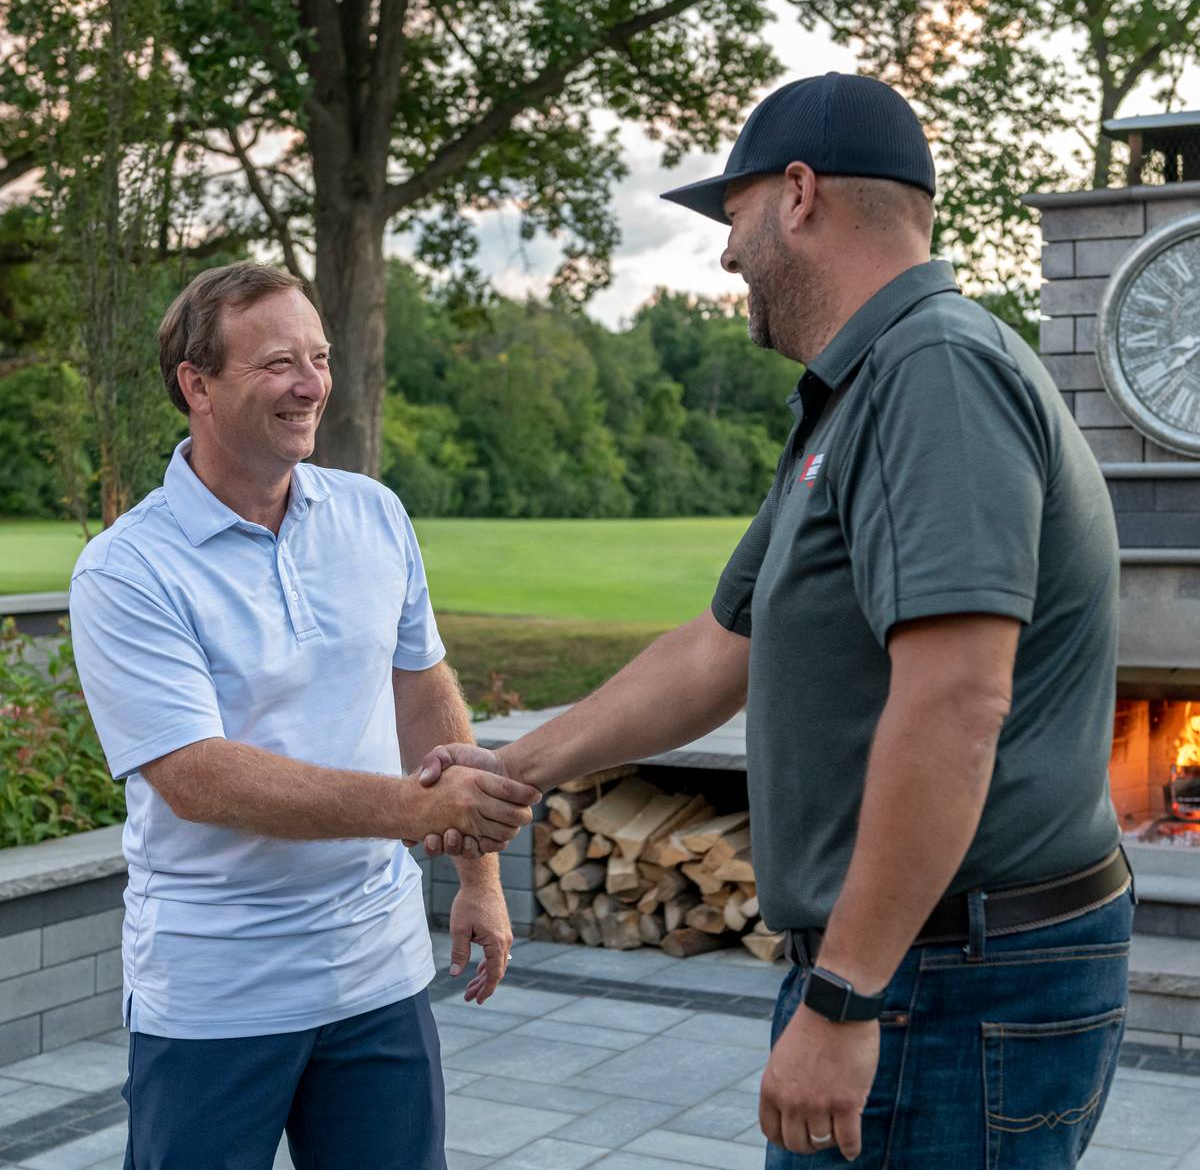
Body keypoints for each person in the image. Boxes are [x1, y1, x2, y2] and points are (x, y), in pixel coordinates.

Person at [415, 73, 1133, 1169]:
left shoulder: (933, 373)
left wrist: (846, 997)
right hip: (923, 971)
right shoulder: (860, 393)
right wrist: (518, 765)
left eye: (734, 213)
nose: (727, 252)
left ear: (799, 195)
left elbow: (956, 703)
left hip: (941, 986)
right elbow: (719, 649)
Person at [68, 263, 539, 1170]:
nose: (312, 383)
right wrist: (415, 811)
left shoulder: (374, 515)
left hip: (378, 974)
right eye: (279, 361)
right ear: (195, 386)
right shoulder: (128, 570)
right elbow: (196, 776)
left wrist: (476, 879)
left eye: (319, 357)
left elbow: (423, 692)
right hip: (217, 994)